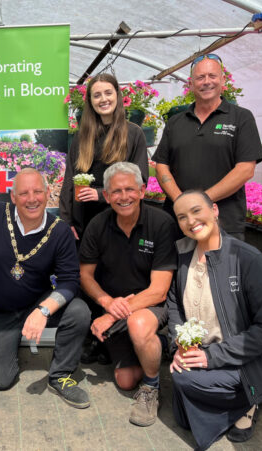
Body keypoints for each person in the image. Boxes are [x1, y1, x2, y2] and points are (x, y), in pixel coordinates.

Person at [168, 190, 262, 450]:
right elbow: (173, 305)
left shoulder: (247, 259)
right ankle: (233, 400)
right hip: (204, 349)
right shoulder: (182, 256)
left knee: (183, 380)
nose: (190, 221)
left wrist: (211, 357)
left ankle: (251, 400)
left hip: (247, 359)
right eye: (182, 217)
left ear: (214, 210)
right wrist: (179, 345)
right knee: (182, 417)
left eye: (196, 211)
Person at [0, 168, 92, 408]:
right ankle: (9, 346)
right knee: (0, 380)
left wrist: (43, 311)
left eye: (38, 191)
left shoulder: (59, 231)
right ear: (13, 197)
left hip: (37, 303)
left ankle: (60, 375)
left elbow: (70, 280)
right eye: (24, 193)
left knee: (79, 311)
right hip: (0, 312)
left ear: (48, 193)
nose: (32, 199)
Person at [79, 162, 177, 426]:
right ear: (107, 196)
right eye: (116, 191)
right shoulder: (98, 225)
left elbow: (158, 290)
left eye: (130, 189)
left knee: (138, 323)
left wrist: (111, 316)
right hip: (114, 305)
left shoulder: (161, 224)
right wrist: (107, 302)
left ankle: (151, 388)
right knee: (125, 380)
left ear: (143, 191)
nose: (124, 197)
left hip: (150, 304)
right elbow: (85, 276)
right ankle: (162, 346)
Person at [153, 54, 262, 240]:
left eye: (212, 76)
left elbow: (245, 169)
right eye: (200, 77)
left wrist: (200, 202)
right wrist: (181, 202)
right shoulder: (175, 122)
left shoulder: (241, 118)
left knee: (221, 268)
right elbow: (162, 165)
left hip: (224, 223)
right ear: (191, 84)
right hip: (179, 222)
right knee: (177, 268)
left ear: (223, 80)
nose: (206, 82)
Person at [60, 73, 148, 242]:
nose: (103, 99)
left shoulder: (133, 133)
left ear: (117, 95)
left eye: (108, 93)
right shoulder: (81, 137)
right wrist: (66, 221)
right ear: (90, 101)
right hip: (84, 223)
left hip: (120, 220)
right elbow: (69, 180)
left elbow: (140, 179)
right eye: (97, 95)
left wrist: (100, 194)